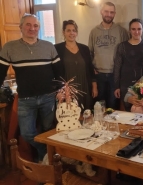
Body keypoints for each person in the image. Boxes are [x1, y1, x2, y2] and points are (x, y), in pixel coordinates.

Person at [0, 14, 62, 162]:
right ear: (20, 27)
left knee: (48, 130)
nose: (32, 28)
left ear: (39, 28)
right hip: (25, 99)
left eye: (35, 26)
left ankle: (43, 161)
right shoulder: (10, 47)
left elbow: (59, 72)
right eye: (28, 25)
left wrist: (61, 91)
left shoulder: (48, 46)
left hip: (48, 97)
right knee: (27, 133)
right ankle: (45, 153)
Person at [88, 1, 129, 109]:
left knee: (113, 106)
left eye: (111, 12)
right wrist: (93, 70)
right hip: (98, 75)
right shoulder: (94, 32)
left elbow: (126, 53)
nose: (109, 14)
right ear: (101, 12)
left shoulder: (121, 31)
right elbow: (89, 53)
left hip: (114, 76)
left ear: (115, 14)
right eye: (106, 11)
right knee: (98, 107)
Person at [55, 20, 98, 111]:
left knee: (86, 113)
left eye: (74, 30)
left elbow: (91, 69)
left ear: (77, 33)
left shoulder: (84, 48)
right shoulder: (57, 48)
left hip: (85, 86)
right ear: (64, 32)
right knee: (70, 115)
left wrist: (94, 87)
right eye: (68, 30)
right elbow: (55, 71)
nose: (72, 33)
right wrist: (58, 91)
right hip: (67, 89)